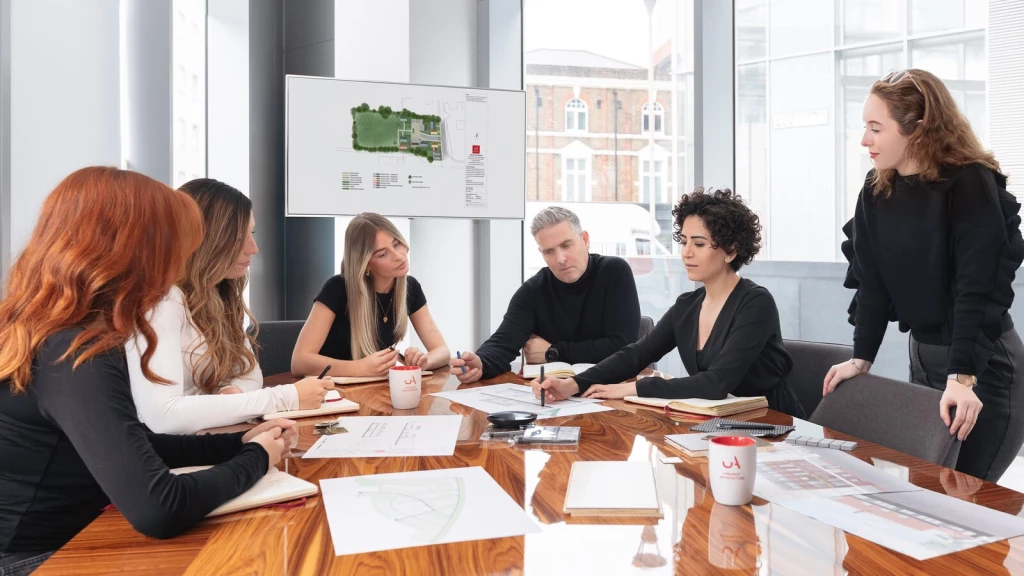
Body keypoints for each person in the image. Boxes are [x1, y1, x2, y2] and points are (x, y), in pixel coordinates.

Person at [0, 167, 293, 576]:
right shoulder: (73, 350)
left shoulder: (61, 330)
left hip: (72, 538)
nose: (179, 263)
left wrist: (239, 443)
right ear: (129, 248)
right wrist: (256, 459)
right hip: (37, 560)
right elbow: (159, 507)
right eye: (174, 245)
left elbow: (133, 441)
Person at [824, 68, 1024, 482]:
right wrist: (861, 359)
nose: (865, 140)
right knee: (926, 496)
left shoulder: (969, 182)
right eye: (865, 127)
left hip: (983, 364)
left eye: (876, 128)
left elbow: (976, 288)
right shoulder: (877, 190)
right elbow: (873, 281)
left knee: (970, 502)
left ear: (916, 129)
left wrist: (962, 376)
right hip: (925, 357)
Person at [531, 189, 805, 418]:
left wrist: (633, 388)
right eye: (684, 241)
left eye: (699, 244)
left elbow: (717, 383)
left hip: (773, 427)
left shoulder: (756, 303)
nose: (686, 252)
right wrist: (573, 384)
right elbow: (635, 355)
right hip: (715, 422)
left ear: (731, 250)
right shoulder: (687, 306)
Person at [127, 178, 334, 434]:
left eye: (252, 234)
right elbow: (163, 417)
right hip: (168, 458)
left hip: (208, 439)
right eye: (238, 238)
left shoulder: (219, 293)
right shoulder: (161, 301)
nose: (254, 249)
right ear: (204, 241)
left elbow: (250, 375)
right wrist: (287, 397)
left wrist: (231, 393)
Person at [450, 207, 641, 383]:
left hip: (612, 387)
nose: (560, 259)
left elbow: (623, 346)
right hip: (551, 393)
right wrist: (481, 362)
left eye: (566, 245)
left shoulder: (614, 272)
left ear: (584, 239)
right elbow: (503, 341)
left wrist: (553, 352)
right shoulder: (533, 290)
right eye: (549, 251)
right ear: (541, 252)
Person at [292, 213, 449, 378]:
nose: (398, 256)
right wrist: (359, 368)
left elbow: (442, 351)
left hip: (375, 388)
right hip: (332, 393)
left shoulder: (410, 287)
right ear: (365, 264)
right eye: (382, 254)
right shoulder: (337, 288)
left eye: (396, 244)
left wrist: (425, 361)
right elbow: (299, 362)